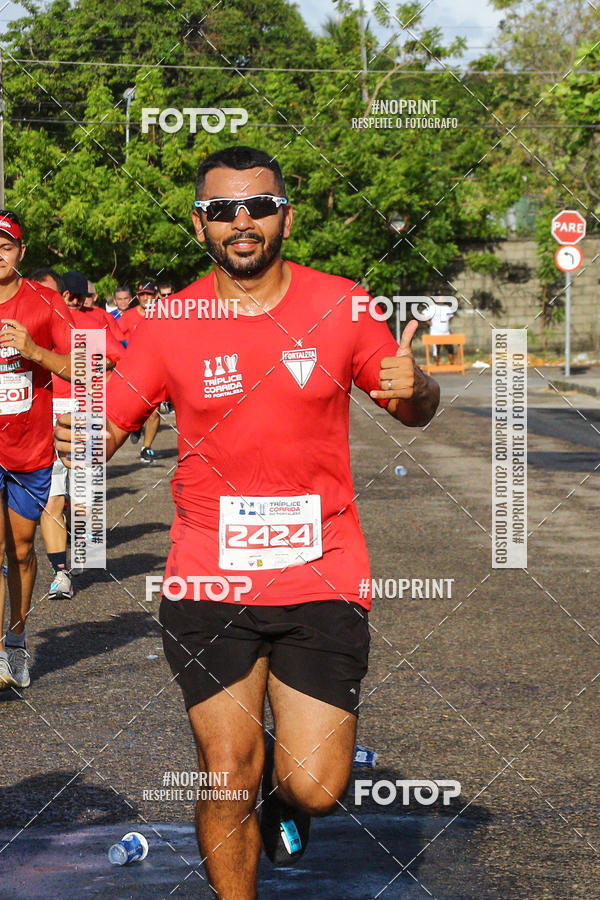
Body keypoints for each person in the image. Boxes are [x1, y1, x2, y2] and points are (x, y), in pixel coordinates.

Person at [55, 145, 439, 897]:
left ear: (284, 215)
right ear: (201, 225)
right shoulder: (169, 323)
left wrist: (419, 387)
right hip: (209, 572)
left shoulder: (343, 305)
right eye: (223, 208)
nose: (242, 220)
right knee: (227, 766)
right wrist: (90, 439)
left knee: (315, 788)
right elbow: (111, 420)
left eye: (258, 205)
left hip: (320, 568)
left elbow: (412, 409)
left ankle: (280, 793)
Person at [0, 211, 74, 689]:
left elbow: (88, 365)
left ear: (21, 252)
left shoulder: (45, 303)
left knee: (21, 552)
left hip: (28, 450)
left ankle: (16, 643)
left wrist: (36, 351)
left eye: (5, 245)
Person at [40, 270, 124, 600]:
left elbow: (117, 357)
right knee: (55, 497)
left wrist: (84, 366)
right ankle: (62, 573)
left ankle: (71, 560)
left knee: (72, 499)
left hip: (81, 408)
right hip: (49, 409)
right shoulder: (39, 320)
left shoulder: (91, 320)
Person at [118, 280, 160, 463]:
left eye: (149, 294)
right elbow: (116, 342)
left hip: (156, 369)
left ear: (155, 296)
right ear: (137, 296)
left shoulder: (164, 316)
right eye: (142, 294)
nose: (145, 298)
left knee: (154, 411)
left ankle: (147, 447)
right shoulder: (127, 317)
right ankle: (136, 425)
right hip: (132, 370)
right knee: (132, 409)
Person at [429, 296, 456, 365]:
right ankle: (437, 365)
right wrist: (429, 323)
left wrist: (445, 323)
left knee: (450, 349)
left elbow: (451, 317)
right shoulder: (432, 308)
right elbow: (424, 315)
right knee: (436, 350)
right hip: (435, 333)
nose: (442, 300)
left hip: (446, 333)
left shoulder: (446, 307)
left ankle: (452, 364)